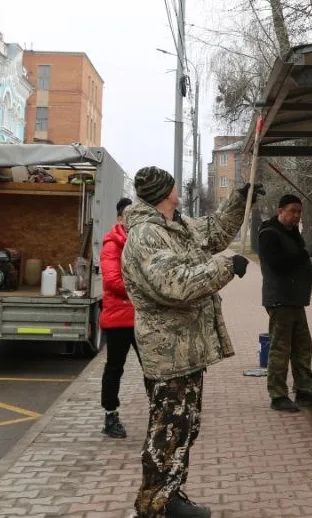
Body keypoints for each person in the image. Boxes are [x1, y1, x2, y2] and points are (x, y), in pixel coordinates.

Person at [121, 166, 259, 518]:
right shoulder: (147, 234)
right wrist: (225, 267)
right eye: (172, 186)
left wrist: (240, 202)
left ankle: (171, 495)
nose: (177, 190)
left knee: (183, 427)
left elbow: (211, 232)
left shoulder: (174, 226)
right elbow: (175, 284)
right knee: (168, 429)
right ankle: (156, 506)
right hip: (169, 351)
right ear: (165, 192)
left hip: (184, 349)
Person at [258, 194, 312, 412]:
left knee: (302, 346)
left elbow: (299, 263)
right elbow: (279, 265)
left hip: (295, 298)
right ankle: (278, 395)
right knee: (281, 348)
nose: (296, 216)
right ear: (280, 211)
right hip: (280, 298)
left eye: (299, 212)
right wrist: (305, 253)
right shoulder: (269, 234)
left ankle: (304, 389)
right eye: (292, 211)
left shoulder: (293, 233)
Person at [99, 197, 137, 439]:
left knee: (152, 368)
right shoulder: (112, 244)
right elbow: (112, 282)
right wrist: (145, 287)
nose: (131, 221)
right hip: (118, 319)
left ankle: (160, 413)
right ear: (120, 218)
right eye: (127, 216)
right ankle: (110, 416)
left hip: (141, 317)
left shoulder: (141, 242)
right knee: (115, 368)